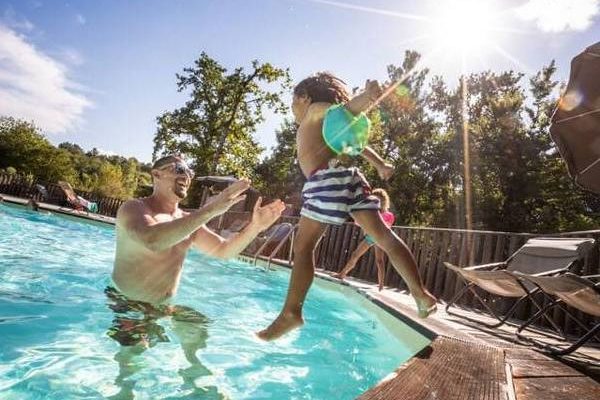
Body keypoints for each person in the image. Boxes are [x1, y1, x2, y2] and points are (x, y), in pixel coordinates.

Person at [257, 73, 437, 341]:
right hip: (349, 178)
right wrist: (380, 164)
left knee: (304, 247)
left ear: (304, 97)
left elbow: (345, 109)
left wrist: (366, 99)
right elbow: (358, 144)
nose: (292, 109)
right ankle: (420, 293)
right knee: (384, 237)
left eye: (292, 102)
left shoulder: (315, 110)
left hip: (324, 179)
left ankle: (291, 313)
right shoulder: (329, 123)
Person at [108, 154, 285, 395]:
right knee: (133, 363)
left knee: (197, 328)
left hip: (163, 306)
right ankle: (124, 392)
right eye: (179, 168)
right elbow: (152, 240)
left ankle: (194, 379)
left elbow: (223, 250)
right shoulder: (134, 209)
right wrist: (211, 209)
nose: (186, 175)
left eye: (190, 172)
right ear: (156, 174)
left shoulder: (187, 222)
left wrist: (255, 227)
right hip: (129, 305)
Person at [334, 188, 394, 291]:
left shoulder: (388, 215)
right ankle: (342, 274)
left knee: (379, 261)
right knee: (355, 254)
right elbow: (360, 222)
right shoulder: (371, 212)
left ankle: (381, 285)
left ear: (383, 201)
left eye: (378, 200)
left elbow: (387, 227)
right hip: (370, 237)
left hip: (380, 238)